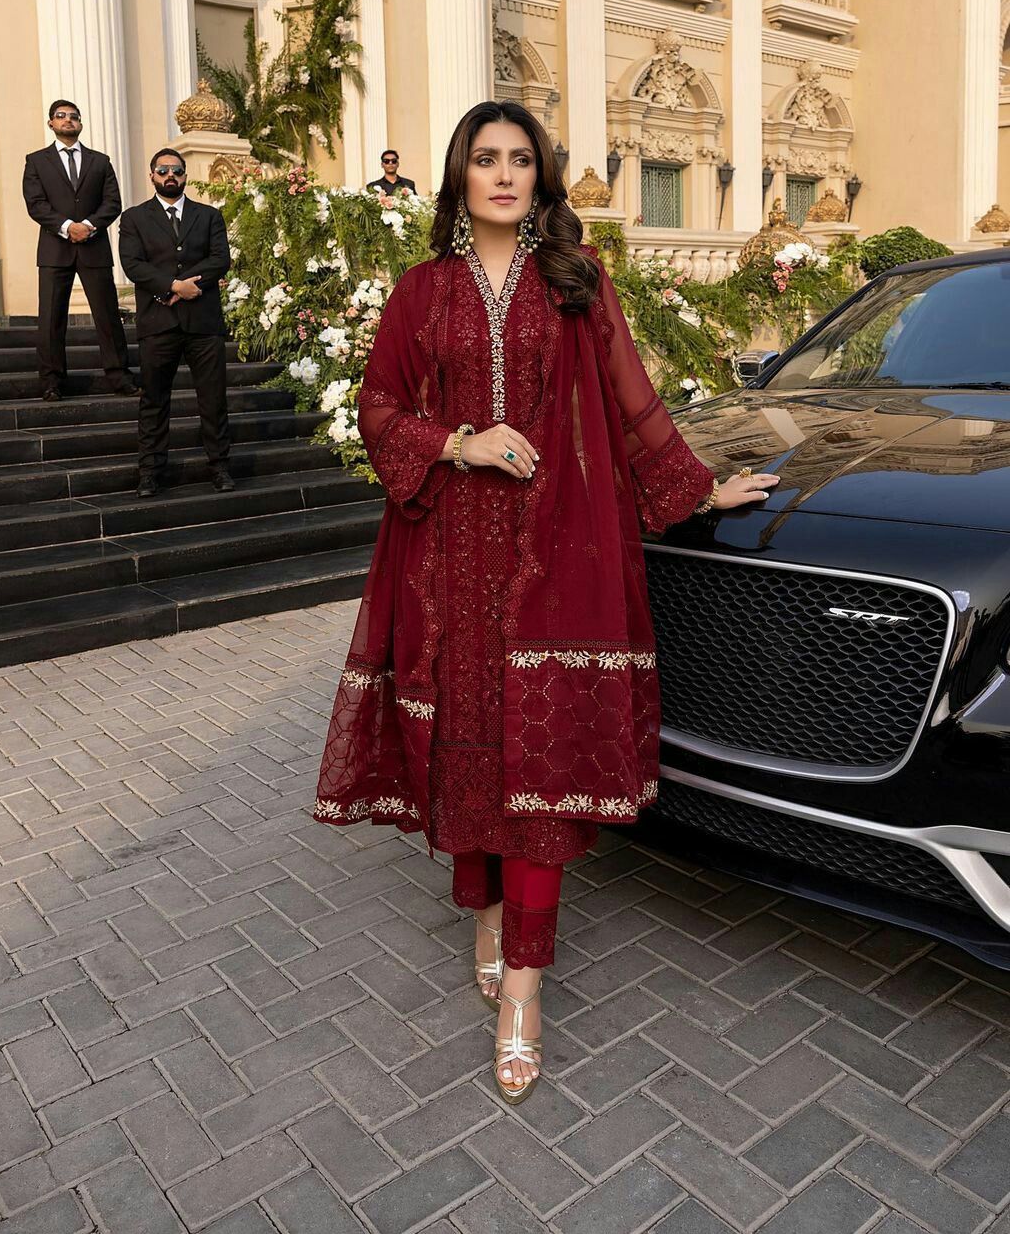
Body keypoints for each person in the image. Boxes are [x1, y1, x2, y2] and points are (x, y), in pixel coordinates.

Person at [314, 99, 779, 1104]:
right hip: (446, 561)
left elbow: (631, 399)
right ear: (459, 174)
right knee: (470, 755)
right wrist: (459, 442)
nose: (503, 174)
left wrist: (701, 489)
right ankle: (483, 912)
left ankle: (524, 986)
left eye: (520, 159)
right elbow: (379, 407)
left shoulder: (576, 282)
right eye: (485, 158)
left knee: (544, 767)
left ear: (540, 177)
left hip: (555, 558)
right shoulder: (422, 292)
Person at [118, 149, 234, 498]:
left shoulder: (209, 215)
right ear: (152, 175)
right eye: (163, 170)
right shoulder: (134, 218)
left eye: (177, 170)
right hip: (158, 322)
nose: (170, 175)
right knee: (154, 399)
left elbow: (220, 259)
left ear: (185, 176)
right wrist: (171, 286)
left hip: (203, 323)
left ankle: (220, 467)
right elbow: (132, 264)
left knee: (213, 399)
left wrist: (186, 287)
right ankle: (150, 472)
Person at [21, 100, 138, 401]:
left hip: (94, 246)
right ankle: (51, 381)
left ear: (80, 123)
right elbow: (35, 204)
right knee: (51, 318)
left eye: (73, 116)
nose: (68, 120)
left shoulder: (101, 161)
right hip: (54, 249)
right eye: (61, 116)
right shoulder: (36, 161)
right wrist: (66, 227)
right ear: (51, 123)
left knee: (107, 315)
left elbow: (112, 202)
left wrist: (87, 225)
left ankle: (119, 376)